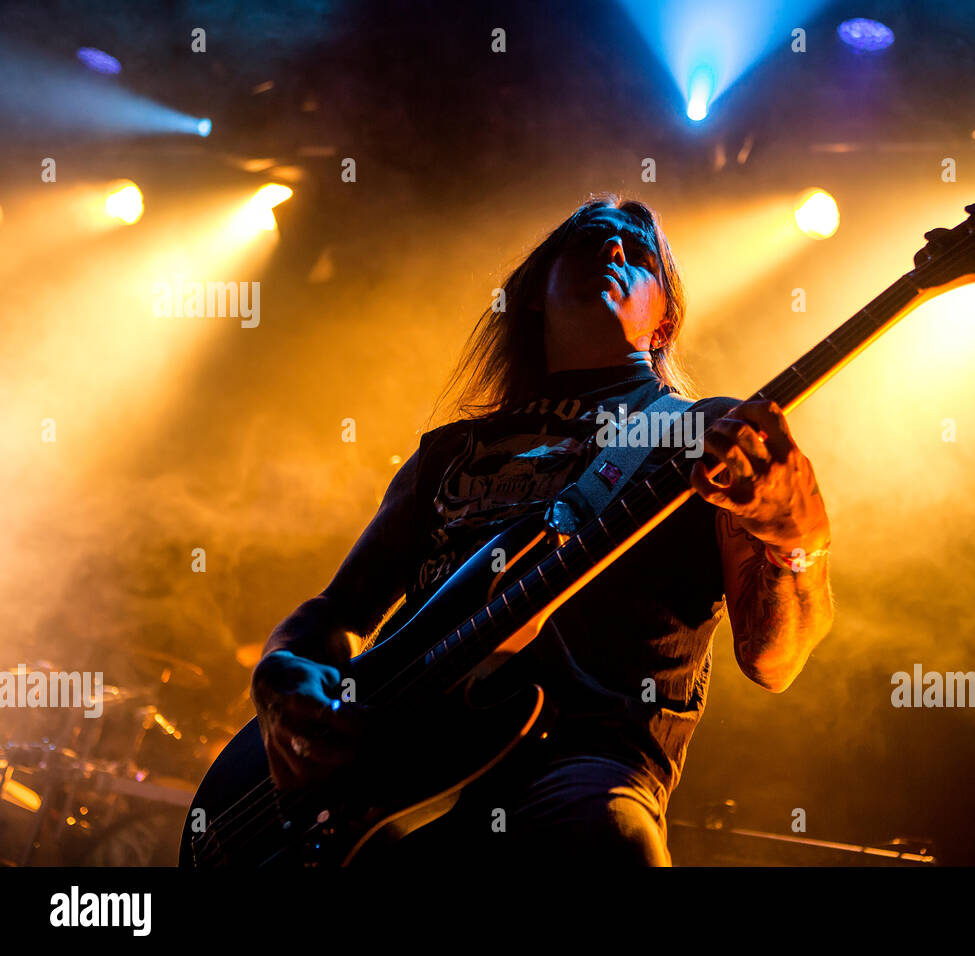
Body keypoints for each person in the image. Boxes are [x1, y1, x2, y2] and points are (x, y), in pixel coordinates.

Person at [250, 196, 834, 866]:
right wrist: (281, 673)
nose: (614, 251)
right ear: (533, 296)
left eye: (639, 255)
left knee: (607, 835)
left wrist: (795, 534)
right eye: (590, 240)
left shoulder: (703, 436)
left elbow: (772, 660)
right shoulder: (450, 451)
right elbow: (337, 610)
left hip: (580, 769)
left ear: (663, 322)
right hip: (391, 779)